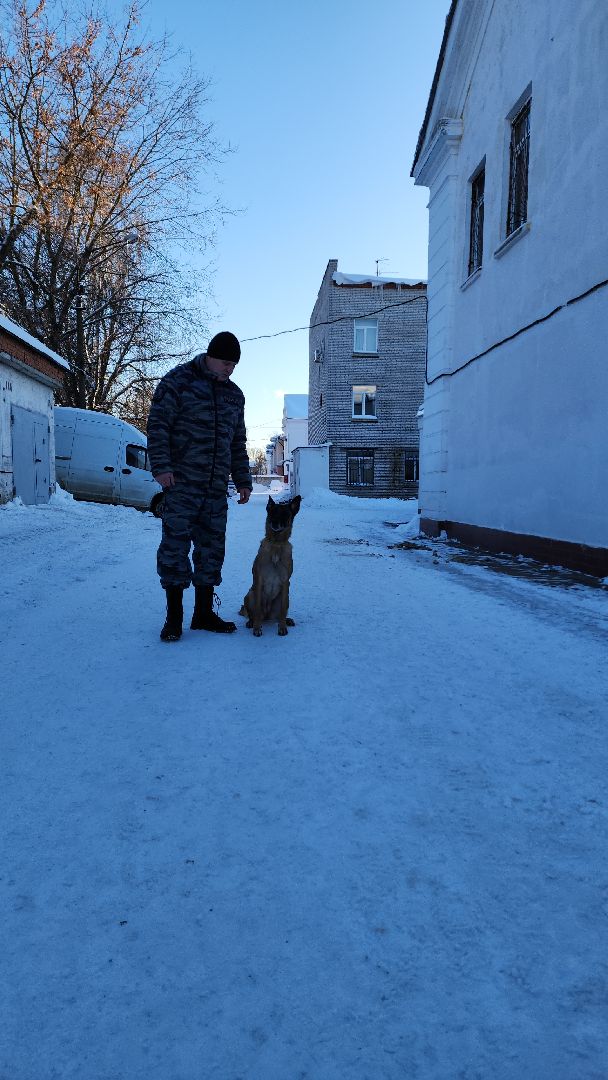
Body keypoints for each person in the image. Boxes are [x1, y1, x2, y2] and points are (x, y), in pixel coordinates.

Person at [147, 331, 252, 642]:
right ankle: (174, 619)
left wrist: (243, 479)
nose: (229, 369)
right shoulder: (178, 381)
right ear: (209, 356)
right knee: (174, 549)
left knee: (211, 551)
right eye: (225, 362)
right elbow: (158, 425)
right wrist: (162, 467)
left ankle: (203, 614)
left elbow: (238, 442)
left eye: (233, 365)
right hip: (180, 484)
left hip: (215, 489)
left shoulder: (235, 395)